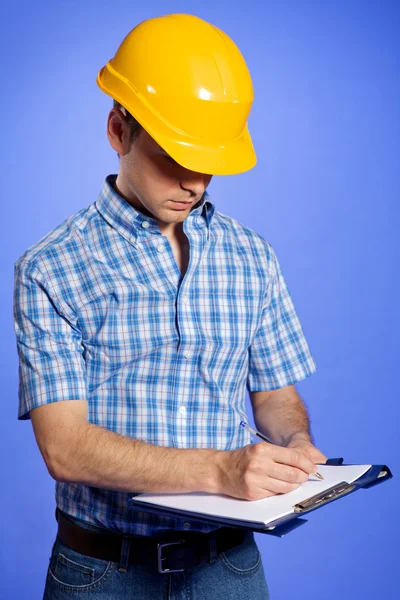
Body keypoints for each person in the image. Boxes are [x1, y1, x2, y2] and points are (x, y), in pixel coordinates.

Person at [13, 13, 327, 600]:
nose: (193, 183)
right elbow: (65, 447)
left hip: (228, 568)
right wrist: (220, 469)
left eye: (206, 161)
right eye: (172, 157)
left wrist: (295, 445)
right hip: (101, 573)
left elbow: (276, 395)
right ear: (117, 129)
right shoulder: (51, 268)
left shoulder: (251, 255)